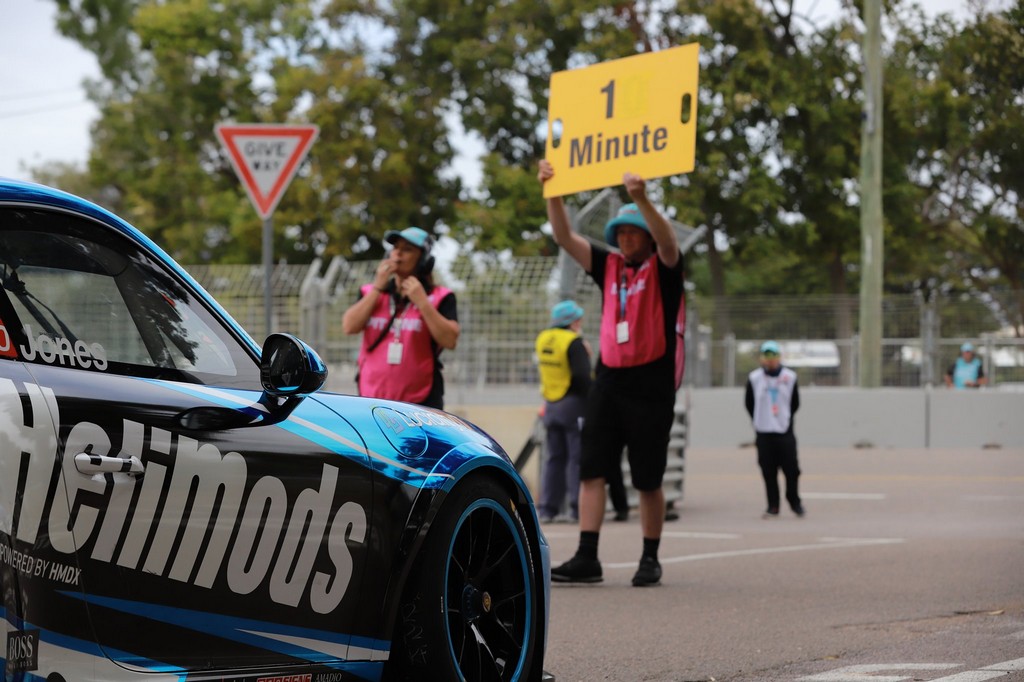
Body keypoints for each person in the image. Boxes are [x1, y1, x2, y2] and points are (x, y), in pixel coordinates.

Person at [538, 159, 685, 587]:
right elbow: (565, 236)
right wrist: (553, 193)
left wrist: (640, 197)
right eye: (619, 233)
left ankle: (650, 557)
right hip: (610, 380)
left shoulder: (665, 268)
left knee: (648, 476)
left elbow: (670, 242)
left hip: (651, 383)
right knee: (591, 468)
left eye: (632, 232)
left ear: (646, 237)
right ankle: (587, 555)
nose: (624, 239)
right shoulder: (610, 267)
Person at [341, 226, 459, 409]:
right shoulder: (370, 292)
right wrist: (378, 288)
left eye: (407, 249)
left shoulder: (441, 296)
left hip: (421, 402)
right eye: (395, 248)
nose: (398, 254)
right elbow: (349, 326)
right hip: (371, 399)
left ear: (424, 260)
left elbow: (450, 340)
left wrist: (422, 302)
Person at [535, 300, 592, 523]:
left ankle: (548, 509)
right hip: (573, 403)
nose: (580, 322)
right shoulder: (574, 341)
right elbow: (581, 376)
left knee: (554, 457)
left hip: (550, 404)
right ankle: (577, 509)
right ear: (572, 321)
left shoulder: (542, 338)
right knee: (576, 458)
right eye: (578, 318)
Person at [745, 340, 804, 519]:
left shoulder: (789, 377)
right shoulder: (754, 378)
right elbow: (749, 403)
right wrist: (761, 420)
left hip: (784, 430)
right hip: (763, 431)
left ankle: (794, 501)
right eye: (766, 356)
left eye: (773, 355)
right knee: (768, 470)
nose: (770, 360)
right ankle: (773, 505)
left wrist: (783, 418)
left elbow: (795, 403)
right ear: (762, 358)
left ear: (779, 357)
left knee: (792, 469)